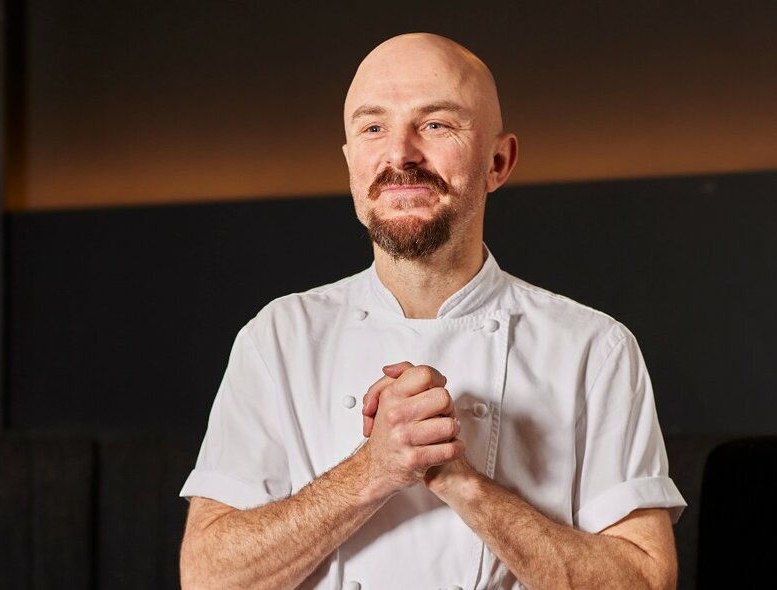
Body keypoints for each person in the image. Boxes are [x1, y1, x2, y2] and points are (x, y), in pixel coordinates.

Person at [179, 32, 685, 589]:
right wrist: (373, 470)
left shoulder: (594, 348)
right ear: (350, 164)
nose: (399, 155)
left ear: (498, 160)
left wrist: (461, 482)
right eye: (373, 127)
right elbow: (208, 578)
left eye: (436, 124)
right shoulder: (279, 337)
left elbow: (643, 582)